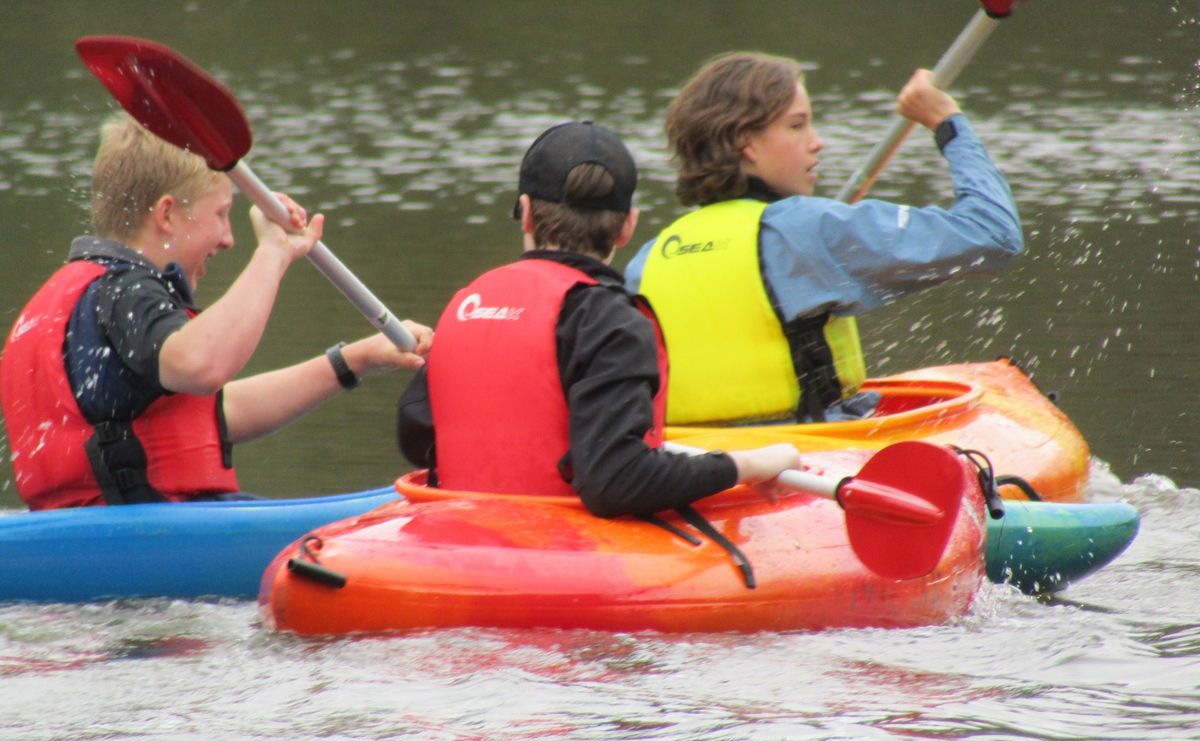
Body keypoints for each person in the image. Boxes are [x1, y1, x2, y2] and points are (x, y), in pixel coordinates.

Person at [1, 112, 433, 510]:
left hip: (106, 534)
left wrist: (356, 360)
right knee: (402, 510)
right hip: (150, 540)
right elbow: (202, 365)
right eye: (222, 214)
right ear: (167, 214)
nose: (228, 238)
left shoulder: (84, 298)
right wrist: (274, 255)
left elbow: (218, 414)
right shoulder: (125, 291)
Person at [397, 120, 800, 521]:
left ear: (525, 215)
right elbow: (616, 483)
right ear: (627, 226)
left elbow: (417, 438)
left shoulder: (468, 303)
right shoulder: (611, 321)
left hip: (459, 533)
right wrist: (747, 466)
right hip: (556, 545)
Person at [625, 52, 1024, 426]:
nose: (817, 142)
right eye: (797, 126)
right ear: (746, 144)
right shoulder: (806, 228)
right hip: (809, 456)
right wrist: (948, 123)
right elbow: (994, 233)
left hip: (696, 465)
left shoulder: (648, 259)